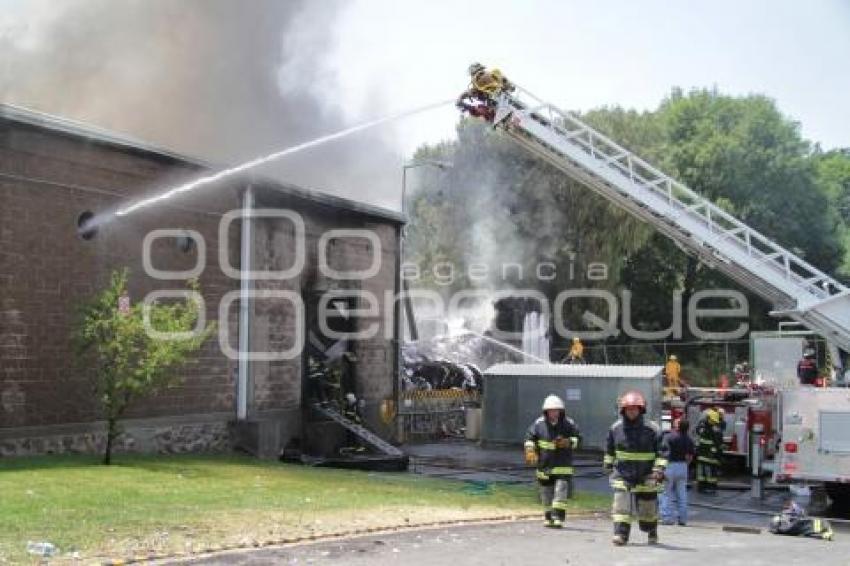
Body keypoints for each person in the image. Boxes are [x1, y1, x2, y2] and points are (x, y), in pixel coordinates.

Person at [603, 390, 668, 546]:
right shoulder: (615, 429)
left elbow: (662, 452)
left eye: (634, 408)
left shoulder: (652, 429)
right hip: (622, 474)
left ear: (641, 410)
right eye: (628, 409)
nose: (631, 412)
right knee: (621, 505)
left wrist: (658, 470)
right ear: (623, 410)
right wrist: (608, 464)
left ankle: (651, 530)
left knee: (648, 510)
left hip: (647, 474)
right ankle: (620, 534)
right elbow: (610, 449)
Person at [524, 394, 581, 528]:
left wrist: (568, 442)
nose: (553, 413)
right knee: (546, 493)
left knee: (561, 491)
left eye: (556, 410)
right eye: (550, 410)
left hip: (563, 466)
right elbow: (529, 438)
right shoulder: (538, 424)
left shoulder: (569, 424)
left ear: (561, 411)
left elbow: (579, 439)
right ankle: (548, 517)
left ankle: (558, 517)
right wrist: (530, 450)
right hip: (545, 466)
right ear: (546, 411)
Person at [660, 419, 695, 526]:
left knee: (666, 493)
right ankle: (683, 519)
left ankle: (667, 518)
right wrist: (685, 465)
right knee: (682, 494)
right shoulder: (689, 440)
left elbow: (663, 452)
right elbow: (689, 457)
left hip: (670, 465)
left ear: (677, 426)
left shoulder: (669, 437)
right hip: (683, 466)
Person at [769, 499, 834, 540]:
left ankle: (824, 532)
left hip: (792, 528)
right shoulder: (789, 512)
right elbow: (801, 513)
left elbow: (775, 528)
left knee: (812, 525)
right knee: (816, 523)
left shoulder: (781, 516)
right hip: (793, 527)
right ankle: (825, 531)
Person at [695, 407, 723, 493]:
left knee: (703, 473)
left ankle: (702, 487)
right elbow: (718, 445)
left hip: (703, 456)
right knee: (709, 473)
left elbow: (698, 432)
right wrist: (718, 457)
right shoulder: (715, 430)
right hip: (709, 457)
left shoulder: (703, 428)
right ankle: (710, 487)